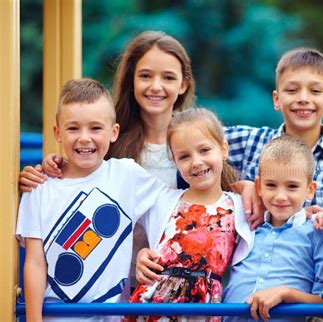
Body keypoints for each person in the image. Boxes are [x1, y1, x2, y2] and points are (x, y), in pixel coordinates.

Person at [18, 30, 262, 287]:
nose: (156, 86)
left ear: (183, 84)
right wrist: (49, 170)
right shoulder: (110, 141)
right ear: (131, 81)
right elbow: (80, 177)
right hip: (115, 287)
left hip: (180, 288)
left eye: (168, 77)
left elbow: (213, 197)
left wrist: (241, 187)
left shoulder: (197, 142)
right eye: (145, 76)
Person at [224, 47, 323, 290]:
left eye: (315, 90)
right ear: (277, 99)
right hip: (250, 290)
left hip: (320, 296)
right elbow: (195, 148)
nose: (303, 98)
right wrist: (240, 185)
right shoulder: (250, 144)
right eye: (292, 89)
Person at [16, 78, 172, 322]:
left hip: (114, 315)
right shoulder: (39, 188)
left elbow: (178, 206)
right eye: (73, 128)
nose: (84, 138)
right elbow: (35, 264)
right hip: (59, 316)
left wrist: (239, 190)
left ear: (114, 132)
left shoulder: (127, 175)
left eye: (96, 128)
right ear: (57, 132)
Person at [126, 108, 254, 322]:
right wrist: (140, 256)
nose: (196, 162)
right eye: (184, 156)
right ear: (174, 161)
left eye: (204, 150)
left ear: (223, 149)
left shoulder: (240, 205)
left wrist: (312, 213)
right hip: (153, 306)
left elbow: (282, 212)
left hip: (202, 311)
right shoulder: (162, 199)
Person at [223, 135, 323, 322]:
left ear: (310, 190)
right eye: (271, 185)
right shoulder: (246, 223)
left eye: (292, 186)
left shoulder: (317, 232)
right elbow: (212, 190)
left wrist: (285, 293)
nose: (280, 196)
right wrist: (244, 187)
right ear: (259, 187)